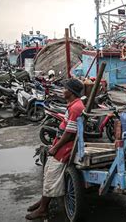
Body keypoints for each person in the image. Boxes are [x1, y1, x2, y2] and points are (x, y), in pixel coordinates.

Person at [26, 78, 85, 220]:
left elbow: (70, 134)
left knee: (51, 174)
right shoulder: (73, 104)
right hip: (63, 142)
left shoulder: (76, 107)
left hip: (67, 146)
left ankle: (43, 209)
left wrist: (56, 147)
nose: (62, 90)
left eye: (65, 88)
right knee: (47, 171)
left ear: (71, 92)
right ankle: (43, 201)